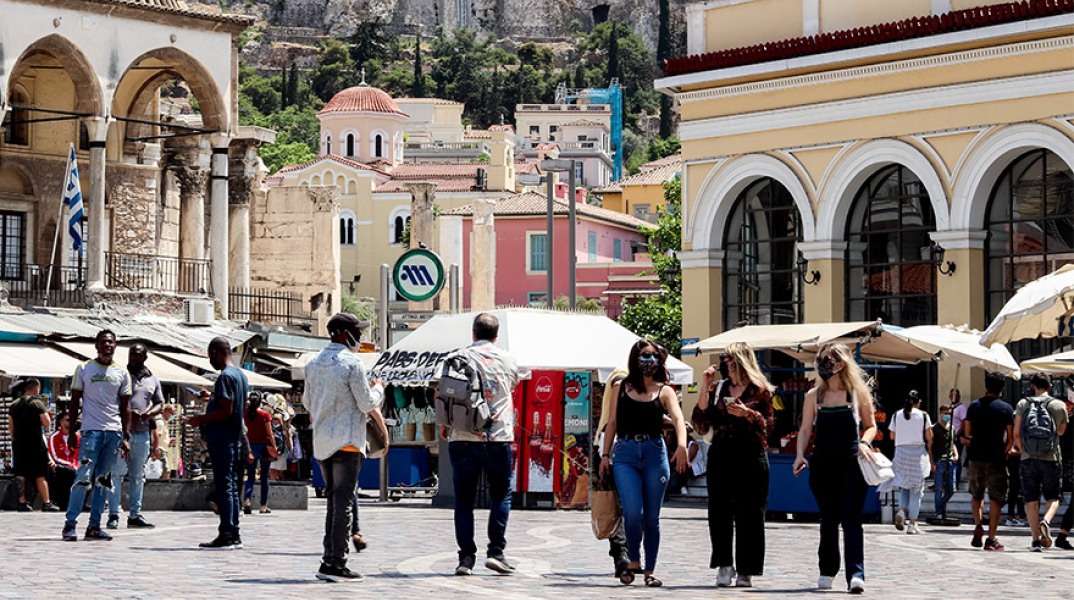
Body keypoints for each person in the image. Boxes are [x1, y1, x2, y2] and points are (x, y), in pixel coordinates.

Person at [439, 313, 524, 577]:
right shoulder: (507, 359)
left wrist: (445, 423)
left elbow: (443, 391)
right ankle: (496, 552)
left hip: (462, 436)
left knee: (464, 500)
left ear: (473, 334)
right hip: (497, 437)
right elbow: (514, 384)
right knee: (500, 495)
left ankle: (465, 559)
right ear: (496, 336)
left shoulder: (456, 357)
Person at [302, 313, 385, 582]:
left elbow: (307, 403)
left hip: (323, 443)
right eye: (356, 332)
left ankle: (329, 559)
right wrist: (380, 389)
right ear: (342, 333)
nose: (360, 337)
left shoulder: (313, 364)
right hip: (348, 442)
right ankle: (336, 563)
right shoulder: (353, 364)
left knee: (334, 503)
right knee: (344, 504)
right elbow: (366, 403)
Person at [600, 339, 688, 588]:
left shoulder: (665, 390)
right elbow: (612, 423)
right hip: (625, 453)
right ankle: (633, 560)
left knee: (652, 517)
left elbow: (678, 419)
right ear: (635, 359)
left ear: (660, 360)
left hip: (654, 453)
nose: (649, 360)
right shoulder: (621, 386)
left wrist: (681, 445)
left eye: (653, 356)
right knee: (632, 512)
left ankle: (649, 570)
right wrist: (605, 455)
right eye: (644, 355)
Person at [793, 342, 876, 594]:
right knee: (828, 519)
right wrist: (799, 454)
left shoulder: (857, 393)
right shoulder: (813, 395)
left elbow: (871, 425)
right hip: (822, 461)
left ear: (841, 363)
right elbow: (806, 429)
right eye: (820, 359)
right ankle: (827, 570)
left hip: (852, 460)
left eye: (827, 360)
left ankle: (856, 575)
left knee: (852, 519)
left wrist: (864, 442)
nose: (822, 364)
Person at [697, 342, 774, 588]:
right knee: (719, 511)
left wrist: (748, 414)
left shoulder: (760, 391)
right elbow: (700, 422)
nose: (725, 366)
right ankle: (724, 565)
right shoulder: (720, 388)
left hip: (751, 454)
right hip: (722, 452)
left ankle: (746, 570)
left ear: (740, 362)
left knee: (750, 513)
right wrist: (704, 388)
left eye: (729, 361)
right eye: (724, 361)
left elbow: (769, 425)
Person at [63, 330, 133, 541]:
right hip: (90, 432)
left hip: (113, 433)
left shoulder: (122, 373)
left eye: (111, 342)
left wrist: (126, 436)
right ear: (96, 345)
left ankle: (94, 526)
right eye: (103, 342)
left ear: (115, 346)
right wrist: (73, 429)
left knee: (103, 481)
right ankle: (70, 524)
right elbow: (74, 401)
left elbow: (126, 407)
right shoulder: (84, 369)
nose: (107, 346)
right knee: (83, 478)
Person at [186, 337, 249, 550]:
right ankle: (234, 532)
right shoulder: (240, 375)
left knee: (225, 487)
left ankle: (227, 533)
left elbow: (226, 410)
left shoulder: (225, 376)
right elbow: (228, 403)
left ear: (214, 352)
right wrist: (211, 398)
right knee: (230, 486)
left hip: (222, 439)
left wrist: (199, 419)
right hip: (232, 438)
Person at [106, 343, 162, 529]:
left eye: (137, 355)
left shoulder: (152, 379)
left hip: (143, 432)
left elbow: (159, 403)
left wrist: (147, 413)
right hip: (121, 432)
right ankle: (113, 513)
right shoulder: (121, 374)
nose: (133, 358)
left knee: (138, 475)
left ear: (145, 357)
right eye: (131, 354)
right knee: (116, 473)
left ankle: (135, 514)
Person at [1013, 373, 1068, 552]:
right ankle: (1047, 520)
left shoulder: (1023, 403)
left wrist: (1022, 450)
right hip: (1051, 458)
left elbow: (1016, 433)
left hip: (1028, 458)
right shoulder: (1059, 405)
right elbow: (1060, 432)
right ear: (1050, 387)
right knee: (1053, 497)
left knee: (1031, 499)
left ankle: (1035, 540)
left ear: (1032, 386)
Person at [963, 371, 1014, 551]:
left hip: (976, 455)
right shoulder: (1006, 409)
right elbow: (1011, 437)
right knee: (996, 499)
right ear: (1002, 388)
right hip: (996, 458)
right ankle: (991, 538)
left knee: (976, 495)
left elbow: (967, 431)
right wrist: (1006, 451)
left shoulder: (974, 406)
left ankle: (978, 525)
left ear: (985, 386)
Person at [595, 367, 631, 581]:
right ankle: (621, 554)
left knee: (632, 510)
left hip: (626, 460)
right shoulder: (610, 419)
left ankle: (624, 554)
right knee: (619, 508)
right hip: (615, 460)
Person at [9, 378, 59, 512]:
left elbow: (11, 426)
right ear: (36, 388)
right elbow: (46, 423)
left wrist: (15, 438)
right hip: (35, 443)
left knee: (20, 473)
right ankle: (46, 502)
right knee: (40, 474)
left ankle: (22, 502)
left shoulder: (14, 404)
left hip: (19, 443)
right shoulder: (38, 403)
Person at [888, 390, 933, 534]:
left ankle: (902, 511)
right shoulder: (923, 415)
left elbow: (891, 435)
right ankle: (912, 524)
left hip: (901, 453)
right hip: (916, 453)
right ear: (918, 402)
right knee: (916, 490)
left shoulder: (897, 415)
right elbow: (929, 437)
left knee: (904, 486)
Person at [243, 392, 276, 515]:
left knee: (250, 476)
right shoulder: (264, 415)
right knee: (264, 477)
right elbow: (269, 433)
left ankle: (247, 500)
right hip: (264, 447)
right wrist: (274, 446)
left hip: (250, 447)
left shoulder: (245, 415)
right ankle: (263, 505)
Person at [930, 403, 958, 519]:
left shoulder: (952, 428)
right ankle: (938, 511)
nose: (947, 416)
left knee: (951, 488)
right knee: (939, 488)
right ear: (940, 413)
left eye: (949, 414)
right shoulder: (934, 428)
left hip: (950, 460)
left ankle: (941, 505)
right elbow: (930, 447)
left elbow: (952, 443)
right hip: (939, 461)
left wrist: (956, 454)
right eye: (945, 414)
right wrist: (931, 463)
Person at [48, 413, 79, 510]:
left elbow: (79, 454)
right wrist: (70, 464)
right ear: (61, 422)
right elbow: (54, 456)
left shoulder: (77, 437)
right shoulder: (54, 437)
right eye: (68, 420)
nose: (71, 422)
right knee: (68, 472)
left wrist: (76, 465)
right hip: (60, 466)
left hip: (74, 465)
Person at [152, 404, 178, 478]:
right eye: (172, 414)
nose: (172, 417)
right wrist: (155, 450)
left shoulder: (163, 422)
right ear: (166, 412)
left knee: (163, 470)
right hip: (159, 450)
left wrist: (168, 440)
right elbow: (156, 436)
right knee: (165, 470)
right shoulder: (159, 422)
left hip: (161, 449)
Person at [950, 388, 967, 486]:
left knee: (956, 458)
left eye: (956, 395)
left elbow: (964, 423)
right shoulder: (949, 407)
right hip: (947, 438)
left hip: (956, 437)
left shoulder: (961, 408)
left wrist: (958, 434)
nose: (954, 397)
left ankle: (955, 483)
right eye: (952, 395)